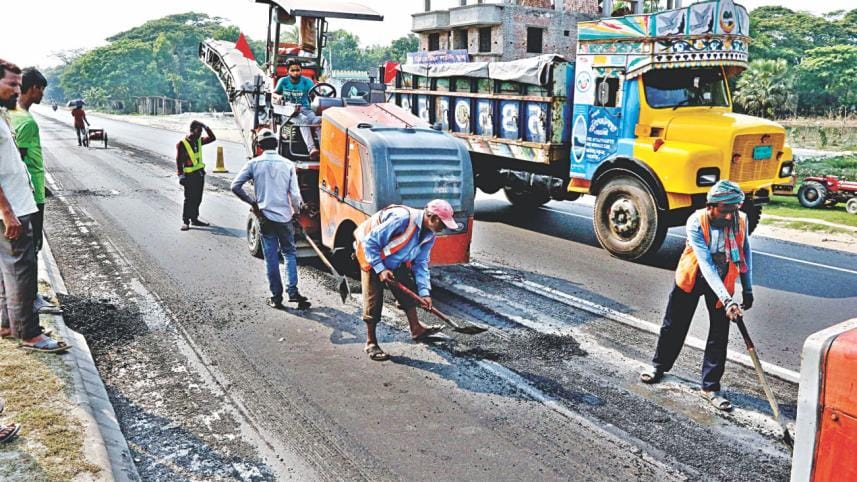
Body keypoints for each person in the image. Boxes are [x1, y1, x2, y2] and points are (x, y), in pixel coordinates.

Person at [640, 180, 754, 411]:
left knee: (719, 334)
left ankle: (711, 387)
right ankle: (659, 367)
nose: (730, 216)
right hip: (694, 275)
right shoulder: (695, 221)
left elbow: (745, 253)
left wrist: (747, 288)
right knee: (674, 325)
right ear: (711, 206)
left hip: (724, 279)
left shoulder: (740, 219)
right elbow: (705, 263)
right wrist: (728, 300)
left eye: (734, 210)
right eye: (725, 211)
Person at [0, 58, 68, 353]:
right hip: (12, 209)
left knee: (8, 273)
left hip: (17, 203)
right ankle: (30, 334)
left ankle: (6, 324)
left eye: (18, 84)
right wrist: (7, 212)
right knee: (22, 272)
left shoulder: (4, 115)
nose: (18, 89)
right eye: (11, 84)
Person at [353, 199, 460, 361]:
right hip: (371, 255)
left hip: (395, 259)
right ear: (431, 217)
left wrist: (425, 292)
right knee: (373, 300)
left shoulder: (429, 235)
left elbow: (421, 263)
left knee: (409, 290)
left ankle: (416, 328)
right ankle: (371, 342)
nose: (443, 228)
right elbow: (370, 243)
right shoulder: (402, 219)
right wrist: (380, 269)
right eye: (442, 224)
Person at [231, 129, 310, 309]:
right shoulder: (288, 164)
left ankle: (276, 297)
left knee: (271, 257)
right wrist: (297, 212)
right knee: (289, 253)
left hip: (264, 217)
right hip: (284, 217)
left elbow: (235, 186)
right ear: (276, 144)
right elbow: (295, 195)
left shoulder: (254, 164)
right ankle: (293, 291)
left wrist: (253, 203)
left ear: (259, 147)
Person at [9, 67, 58, 313]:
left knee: (25, 248)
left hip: (27, 192)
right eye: (41, 89)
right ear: (34, 88)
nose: (42, 95)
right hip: (30, 195)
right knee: (32, 246)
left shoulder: (13, 115)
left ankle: (28, 296)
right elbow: (18, 160)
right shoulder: (26, 121)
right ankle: (31, 298)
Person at [274, 58, 320, 160]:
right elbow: (274, 93)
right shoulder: (283, 81)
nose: (295, 73)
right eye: (293, 70)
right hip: (288, 111)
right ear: (288, 71)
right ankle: (311, 148)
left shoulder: (307, 82)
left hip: (305, 108)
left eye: (298, 70)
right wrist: (278, 97)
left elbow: (315, 95)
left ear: (301, 70)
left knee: (318, 120)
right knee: (303, 119)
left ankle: (324, 148)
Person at [176, 120, 216, 231]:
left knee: (198, 198)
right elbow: (179, 161)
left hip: (199, 174)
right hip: (189, 176)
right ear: (192, 130)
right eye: (199, 131)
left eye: (201, 132)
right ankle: (185, 221)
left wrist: (206, 126)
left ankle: (194, 218)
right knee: (189, 199)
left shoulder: (199, 141)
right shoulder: (182, 144)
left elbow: (213, 138)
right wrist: (180, 175)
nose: (200, 134)